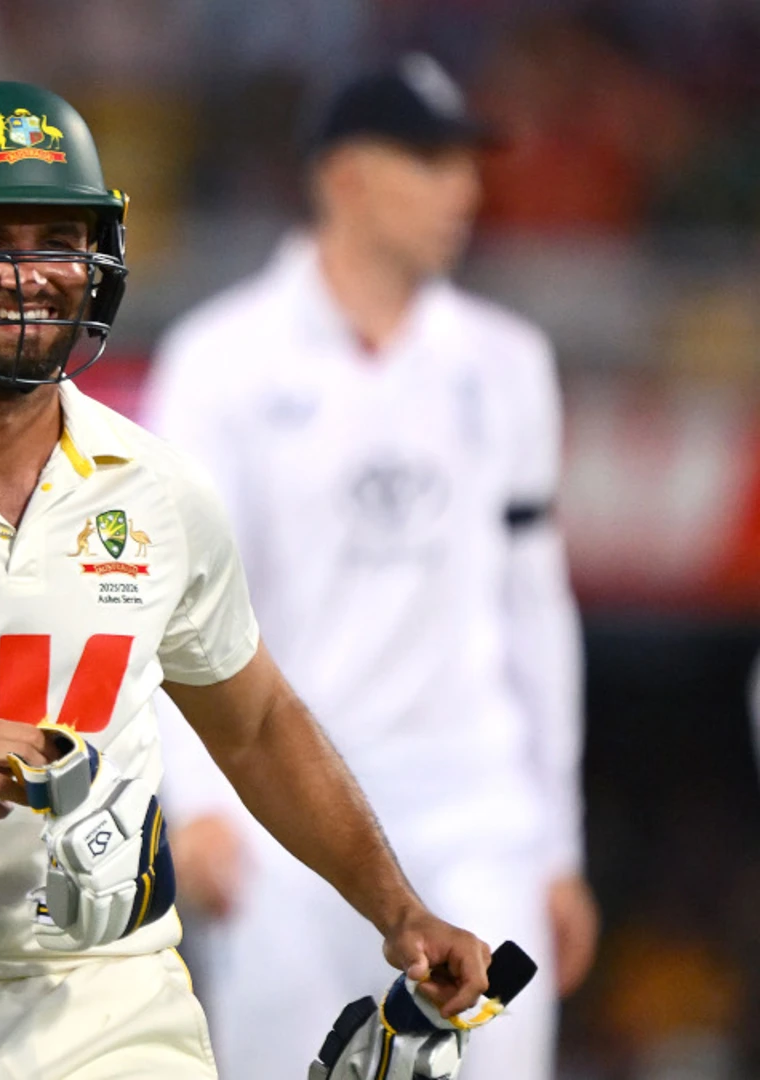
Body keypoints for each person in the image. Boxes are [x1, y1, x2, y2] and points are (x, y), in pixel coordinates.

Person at [0, 79, 495, 1079]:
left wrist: (397, 908)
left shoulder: (161, 490)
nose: (28, 275)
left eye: (56, 238)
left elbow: (257, 722)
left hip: (109, 1001)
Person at [142, 53, 596, 1080]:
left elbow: (535, 608)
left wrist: (554, 844)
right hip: (287, 811)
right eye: (432, 161)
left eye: (467, 163)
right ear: (343, 176)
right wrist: (197, 803)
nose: (466, 191)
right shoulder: (222, 365)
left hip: (475, 805)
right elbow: (174, 610)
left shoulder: (508, 365)